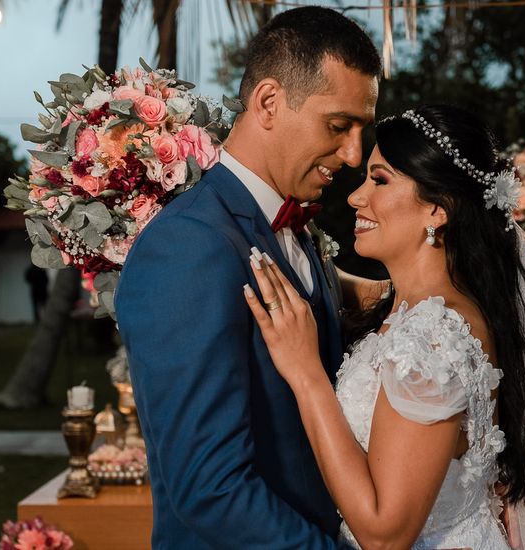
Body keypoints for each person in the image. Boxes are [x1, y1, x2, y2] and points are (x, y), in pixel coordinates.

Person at [244, 105, 525, 550]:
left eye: (379, 180)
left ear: (437, 210)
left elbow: (385, 535)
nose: (355, 196)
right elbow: (356, 290)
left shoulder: (432, 338)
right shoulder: (437, 308)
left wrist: (307, 378)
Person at [115, 7, 381, 548]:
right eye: (338, 126)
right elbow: (209, 489)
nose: (354, 154)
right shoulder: (187, 246)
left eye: (361, 130)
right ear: (267, 102)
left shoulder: (295, 229)